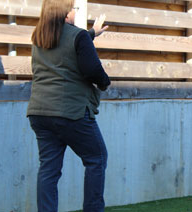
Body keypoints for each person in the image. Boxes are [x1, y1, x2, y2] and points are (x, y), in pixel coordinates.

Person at [27, 0, 111, 211]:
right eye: (73, 8)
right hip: (70, 112)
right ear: (65, 12)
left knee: (48, 170)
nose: (75, 12)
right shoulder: (77, 36)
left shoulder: (39, 36)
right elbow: (91, 69)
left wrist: (92, 33)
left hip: (40, 113)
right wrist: (104, 82)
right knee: (96, 158)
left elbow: (65, 47)